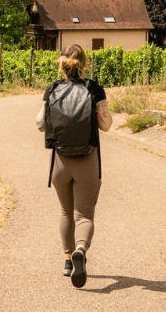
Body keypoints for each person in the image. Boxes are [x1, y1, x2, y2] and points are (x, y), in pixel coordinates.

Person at [36, 44, 112, 288]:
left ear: (61, 64)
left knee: (65, 212)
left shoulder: (53, 89)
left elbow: (40, 124)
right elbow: (106, 125)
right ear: (84, 63)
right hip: (87, 160)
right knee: (84, 215)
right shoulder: (94, 89)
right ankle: (81, 249)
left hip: (60, 162)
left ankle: (68, 261)